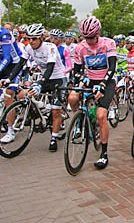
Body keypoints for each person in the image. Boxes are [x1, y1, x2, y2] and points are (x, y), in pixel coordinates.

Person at [6, 23, 68, 151]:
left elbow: (50, 68)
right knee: (23, 94)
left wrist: (40, 84)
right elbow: (20, 64)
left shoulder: (50, 47)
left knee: (56, 110)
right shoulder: (29, 48)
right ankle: (39, 112)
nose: (31, 41)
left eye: (34, 38)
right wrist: (8, 79)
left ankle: (54, 138)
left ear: (40, 37)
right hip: (45, 78)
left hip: (58, 78)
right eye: (29, 38)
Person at [68, 16, 117, 169]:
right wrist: (82, 79)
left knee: (101, 116)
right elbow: (76, 71)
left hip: (106, 81)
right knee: (72, 97)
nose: (89, 41)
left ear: (98, 33)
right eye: (86, 38)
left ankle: (104, 154)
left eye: (92, 38)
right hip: (89, 80)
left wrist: (102, 85)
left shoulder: (108, 43)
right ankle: (78, 120)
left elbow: (112, 67)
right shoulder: (80, 47)